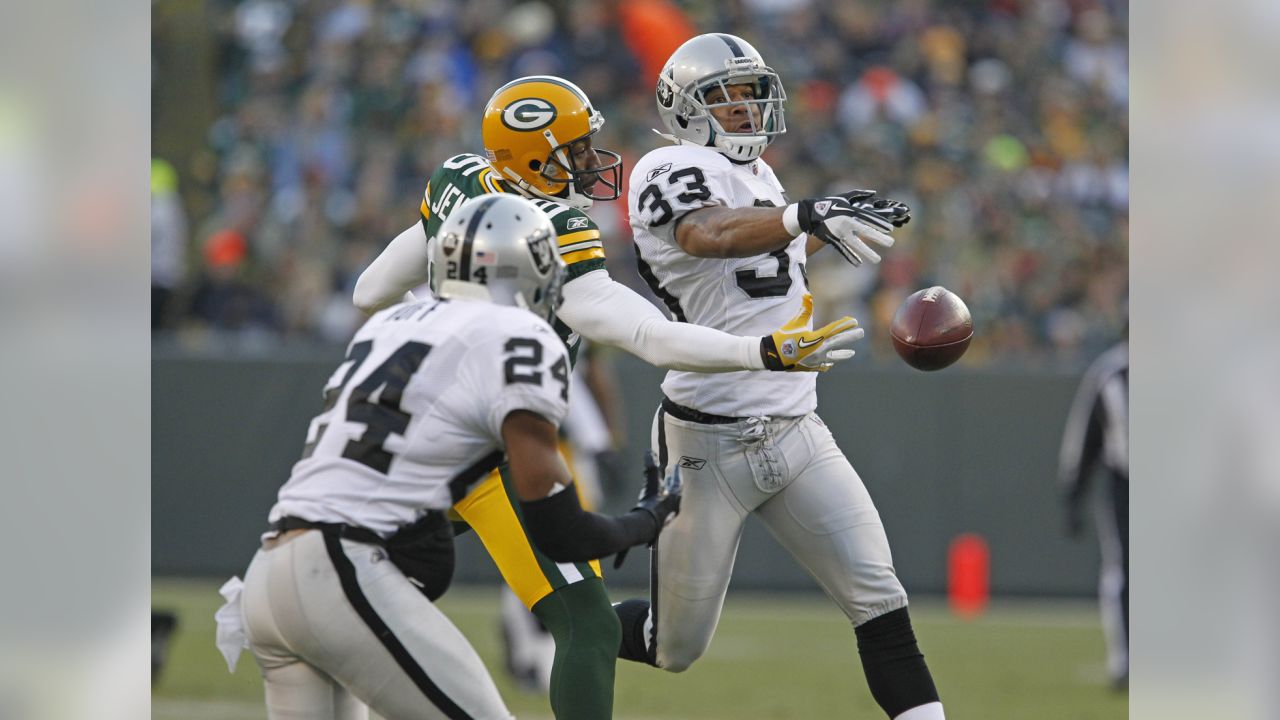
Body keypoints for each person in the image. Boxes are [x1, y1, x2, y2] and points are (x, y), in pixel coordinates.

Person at [352, 75, 865, 718]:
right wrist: (762, 351)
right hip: (481, 444)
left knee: (359, 588)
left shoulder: (463, 181)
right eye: (578, 149)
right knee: (588, 625)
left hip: (404, 440)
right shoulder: (553, 230)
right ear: (535, 159)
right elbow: (651, 335)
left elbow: (369, 291)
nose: (595, 161)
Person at [218, 194, 681, 720]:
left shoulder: (387, 326)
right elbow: (560, 532)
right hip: (344, 574)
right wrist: (643, 523)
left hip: (268, 573)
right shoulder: (519, 335)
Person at [611, 34, 946, 720]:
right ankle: (567, 616)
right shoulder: (664, 167)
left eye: (750, 91)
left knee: (880, 600)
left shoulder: (759, 175)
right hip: (707, 444)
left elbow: (757, 261)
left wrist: (828, 220)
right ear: (684, 107)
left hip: (797, 427)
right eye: (724, 96)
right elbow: (708, 235)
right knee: (672, 647)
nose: (744, 108)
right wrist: (803, 216)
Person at [1058, 336, 1129, 690]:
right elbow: (1084, 440)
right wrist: (1074, 495)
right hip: (1126, 483)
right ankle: (1124, 661)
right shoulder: (1109, 374)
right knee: (1122, 569)